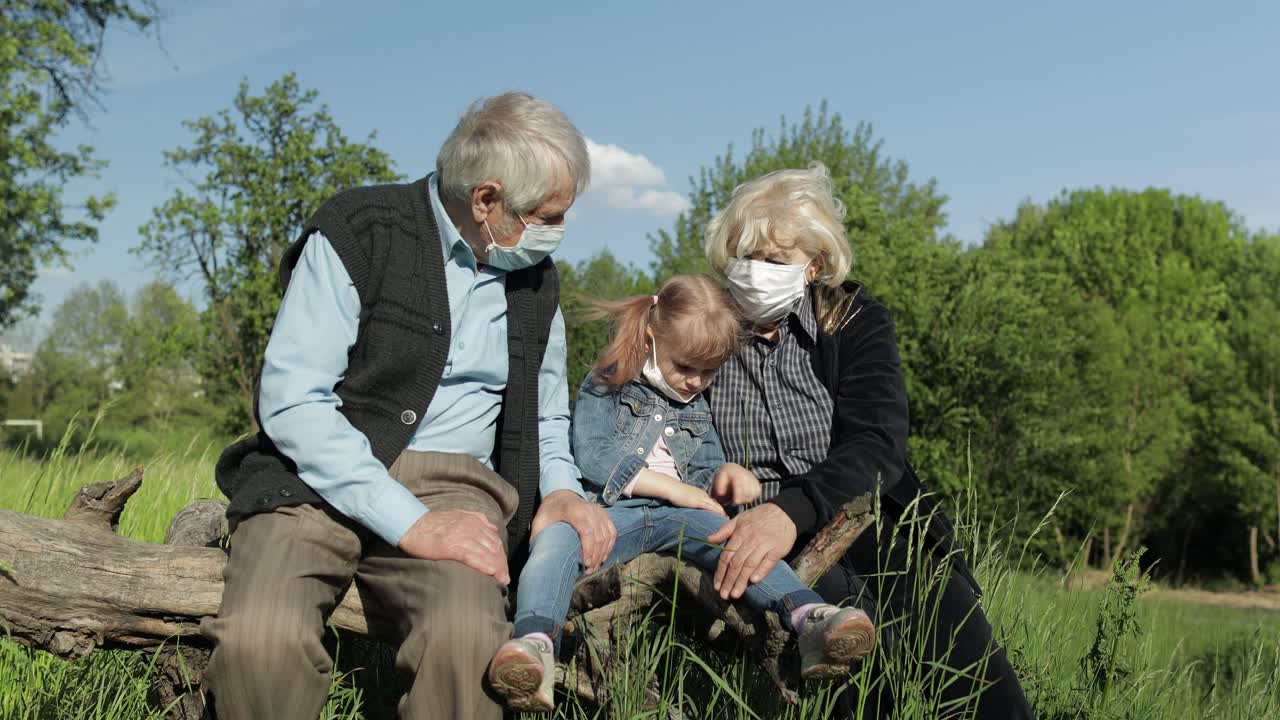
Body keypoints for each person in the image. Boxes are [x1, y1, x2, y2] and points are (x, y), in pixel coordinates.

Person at [201, 92, 617, 720]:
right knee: (261, 639)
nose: (557, 230)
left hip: (457, 489)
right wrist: (409, 522)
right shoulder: (361, 230)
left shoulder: (536, 278)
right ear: (487, 201)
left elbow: (546, 411)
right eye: (548, 214)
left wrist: (560, 488)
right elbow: (291, 403)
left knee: (470, 646)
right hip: (314, 478)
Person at [700, 163, 1035, 718]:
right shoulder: (701, 326)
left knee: (959, 646)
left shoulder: (853, 320)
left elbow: (879, 441)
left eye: (775, 260)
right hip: (753, 536)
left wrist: (793, 509)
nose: (757, 272)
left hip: (864, 513)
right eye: (746, 258)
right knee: (855, 655)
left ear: (814, 265)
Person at [486, 273, 877, 712]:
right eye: (685, 367)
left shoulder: (696, 406)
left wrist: (727, 474)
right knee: (556, 538)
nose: (695, 382)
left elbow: (706, 468)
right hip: (612, 511)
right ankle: (537, 641)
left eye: (708, 372)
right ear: (651, 339)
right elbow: (594, 455)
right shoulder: (609, 380)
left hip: (677, 517)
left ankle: (809, 617)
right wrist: (675, 490)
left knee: (739, 542)